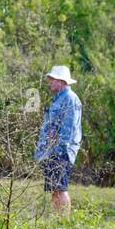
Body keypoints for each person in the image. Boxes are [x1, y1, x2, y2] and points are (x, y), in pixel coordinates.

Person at [34, 65, 82, 214]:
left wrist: (59, 148)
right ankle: (57, 220)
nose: (50, 82)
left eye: (52, 79)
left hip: (61, 150)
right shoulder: (58, 98)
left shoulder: (70, 99)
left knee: (60, 188)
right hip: (53, 150)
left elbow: (69, 127)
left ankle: (63, 223)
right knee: (54, 188)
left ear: (61, 81)